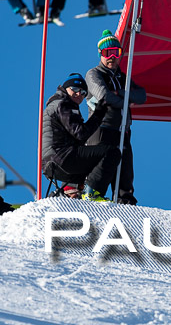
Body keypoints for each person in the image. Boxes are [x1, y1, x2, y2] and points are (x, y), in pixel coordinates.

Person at [85, 29, 147, 205]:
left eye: (116, 52)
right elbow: (104, 96)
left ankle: (125, 200)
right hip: (102, 127)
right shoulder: (94, 74)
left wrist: (120, 93)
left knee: (125, 168)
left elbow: (142, 96)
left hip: (122, 129)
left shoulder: (123, 78)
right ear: (100, 53)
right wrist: (125, 99)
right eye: (107, 53)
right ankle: (93, 195)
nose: (112, 57)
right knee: (102, 165)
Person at [42, 73, 120, 202]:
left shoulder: (58, 104)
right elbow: (81, 134)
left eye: (83, 92)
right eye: (75, 89)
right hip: (61, 158)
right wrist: (98, 114)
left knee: (92, 158)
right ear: (65, 88)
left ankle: (67, 193)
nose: (79, 94)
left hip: (51, 163)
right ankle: (92, 193)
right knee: (111, 152)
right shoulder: (63, 104)